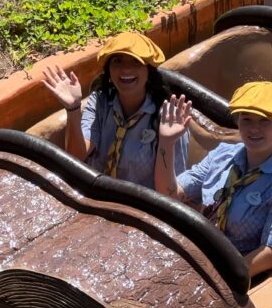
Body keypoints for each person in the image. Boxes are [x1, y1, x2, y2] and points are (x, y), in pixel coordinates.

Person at [155, 82, 272, 279]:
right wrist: (167, 142)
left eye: (264, 121)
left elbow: (269, 254)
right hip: (195, 254)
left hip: (236, 276)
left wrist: (216, 279)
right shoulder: (222, 155)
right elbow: (169, 194)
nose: (254, 129)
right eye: (246, 119)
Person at [42, 31, 187, 189]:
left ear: (149, 71)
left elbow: (171, 191)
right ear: (109, 71)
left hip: (139, 205)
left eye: (135, 62)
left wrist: (167, 140)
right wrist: (73, 109)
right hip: (94, 194)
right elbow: (76, 157)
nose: (126, 70)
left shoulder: (169, 118)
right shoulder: (100, 101)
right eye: (118, 61)